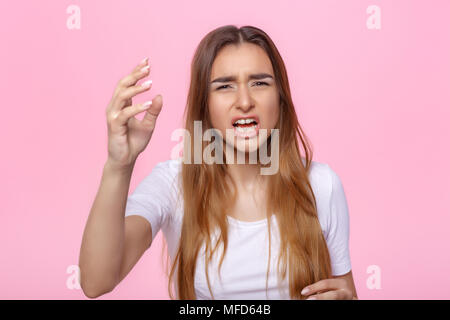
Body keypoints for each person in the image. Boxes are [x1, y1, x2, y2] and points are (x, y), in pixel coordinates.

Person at [79, 25, 358, 300]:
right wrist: (119, 165)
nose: (245, 101)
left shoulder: (321, 184)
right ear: (205, 105)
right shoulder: (173, 184)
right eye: (225, 86)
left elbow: (345, 294)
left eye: (259, 83)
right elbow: (96, 281)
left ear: (280, 98)